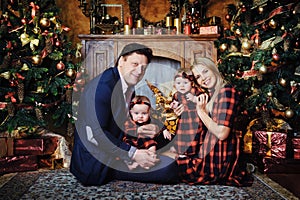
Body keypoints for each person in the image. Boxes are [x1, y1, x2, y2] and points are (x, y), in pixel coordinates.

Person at [70, 43, 179, 186]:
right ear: (122, 61)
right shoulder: (102, 88)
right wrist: (133, 154)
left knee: (166, 156)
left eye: (143, 67)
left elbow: (120, 123)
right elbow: (96, 135)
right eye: (135, 64)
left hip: (117, 151)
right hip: (96, 164)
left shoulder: (126, 86)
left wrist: (139, 132)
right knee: (169, 168)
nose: (139, 71)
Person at [174, 57, 253, 186]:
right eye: (198, 77)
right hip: (209, 153)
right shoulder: (213, 94)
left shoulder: (226, 91)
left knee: (164, 167)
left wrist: (200, 111)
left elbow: (222, 133)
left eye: (205, 71)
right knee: (164, 162)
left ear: (213, 69)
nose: (203, 78)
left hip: (218, 159)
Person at [123, 95, 157, 170]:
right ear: (131, 113)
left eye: (144, 113)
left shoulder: (149, 122)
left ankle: (150, 157)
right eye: (136, 113)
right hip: (132, 141)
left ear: (149, 113)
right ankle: (129, 164)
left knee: (152, 144)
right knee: (126, 149)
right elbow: (127, 131)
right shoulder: (129, 122)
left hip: (143, 141)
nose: (140, 116)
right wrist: (137, 130)